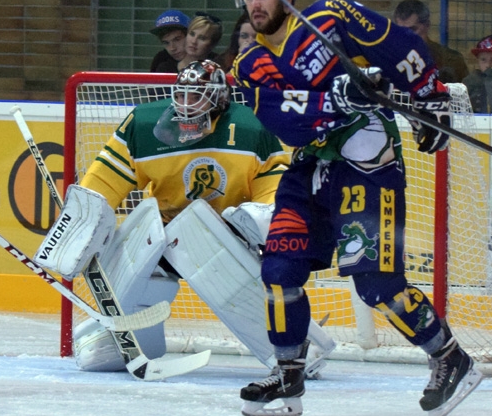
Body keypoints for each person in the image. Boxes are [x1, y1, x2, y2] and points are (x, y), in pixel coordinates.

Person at [232, 0, 483, 416]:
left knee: (376, 283)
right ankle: (289, 377)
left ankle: (451, 358)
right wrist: (337, 98)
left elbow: (397, 44)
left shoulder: (330, 16)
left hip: (368, 161)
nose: (255, 4)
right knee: (279, 268)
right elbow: (283, 118)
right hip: (310, 166)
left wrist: (432, 100)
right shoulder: (251, 60)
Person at [32, 60, 339, 375]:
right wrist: (80, 227)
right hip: (162, 235)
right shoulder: (144, 124)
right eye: (182, 95)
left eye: (197, 96)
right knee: (121, 304)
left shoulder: (252, 127)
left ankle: (293, 351)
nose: (187, 104)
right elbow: (104, 185)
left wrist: (256, 226)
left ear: (220, 98)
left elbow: (273, 196)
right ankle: (126, 343)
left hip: (227, 237)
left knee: (232, 274)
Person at [393, 0, 469, 83]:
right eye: (401, 30)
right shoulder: (388, 57)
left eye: (412, 29)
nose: (407, 35)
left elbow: (464, 93)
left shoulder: (450, 60)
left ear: (427, 25)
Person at [148, 9, 189, 73]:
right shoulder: (161, 61)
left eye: (177, 39)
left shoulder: (207, 60)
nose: (172, 48)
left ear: (190, 36)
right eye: (166, 43)